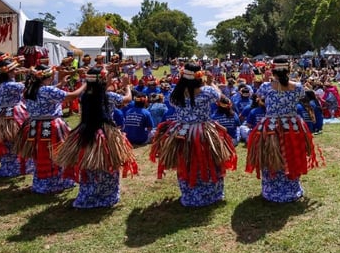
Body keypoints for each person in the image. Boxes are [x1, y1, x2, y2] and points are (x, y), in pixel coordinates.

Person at [149, 62, 237, 207]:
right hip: (203, 132)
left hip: (182, 132)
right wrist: (211, 82)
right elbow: (221, 98)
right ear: (199, 76)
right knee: (209, 162)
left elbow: (173, 103)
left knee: (186, 162)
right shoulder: (208, 91)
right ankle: (211, 195)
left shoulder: (175, 93)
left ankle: (190, 194)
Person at [55, 68, 138, 208]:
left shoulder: (85, 96)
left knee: (89, 165)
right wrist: (127, 86)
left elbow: (96, 92)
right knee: (106, 164)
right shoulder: (108, 96)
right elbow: (127, 99)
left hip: (85, 133)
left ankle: (89, 195)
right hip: (104, 135)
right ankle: (106, 196)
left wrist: (106, 83)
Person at [245, 56, 324, 202]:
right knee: (290, 154)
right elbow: (305, 102)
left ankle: (272, 190)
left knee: (271, 157)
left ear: (272, 70)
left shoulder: (265, 87)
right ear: (288, 69)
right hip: (292, 127)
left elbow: (259, 99)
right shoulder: (298, 87)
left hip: (271, 128)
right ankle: (291, 189)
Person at [15, 64, 85, 194]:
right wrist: (85, 84)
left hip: (34, 126)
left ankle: (41, 183)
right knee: (54, 154)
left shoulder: (30, 89)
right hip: (50, 126)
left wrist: (60, 84)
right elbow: (72, 95)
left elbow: (48, 92)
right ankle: (55, 183)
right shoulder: (47, 90)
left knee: (40, 155)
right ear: (47, 77)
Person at [0, 58, 31, 177]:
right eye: (14, 70)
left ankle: (11, 167)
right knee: (13, 142)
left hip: (2, 116)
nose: (16, 71)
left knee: (9, 143)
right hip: (10, 118)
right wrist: (32, 74)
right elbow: (30, 87)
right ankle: (14, 168)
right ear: (8, 72)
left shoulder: (2, 84)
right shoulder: (10, 85)